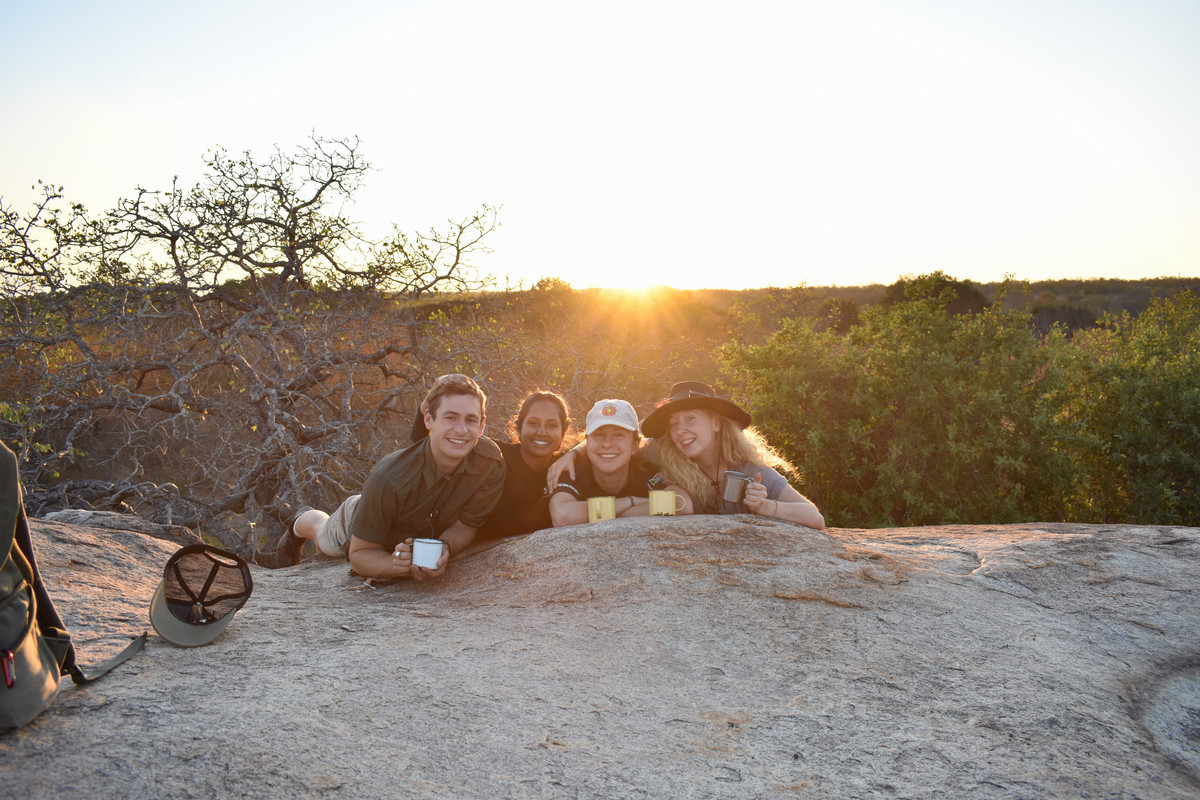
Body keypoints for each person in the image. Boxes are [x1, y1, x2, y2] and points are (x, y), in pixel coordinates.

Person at [276, 374, 506, 579]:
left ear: (482, 426)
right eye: (450, 418)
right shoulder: (388, 478)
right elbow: (360, 553)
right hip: (359, 517)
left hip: (407, 515)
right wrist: (394, 565)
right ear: (429, 420)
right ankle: (302, 520)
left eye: (471, 420)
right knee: (325, 537)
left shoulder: (490, 463)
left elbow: (465, 525)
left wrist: (445, 547)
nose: (461, 429)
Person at [550, 381, 825, 529]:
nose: (681, 431)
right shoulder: (665, 454)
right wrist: (574, 452)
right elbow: (615, 446)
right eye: (674, 423)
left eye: (690, 419)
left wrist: (767, 507)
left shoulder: (750, 470)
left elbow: (814, 517)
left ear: (716, 423)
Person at [549, 399, 693, 526]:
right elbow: (563, 516)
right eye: (598, 435)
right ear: (587, 443)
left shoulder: (644, 469)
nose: (607, 444)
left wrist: (604, 515)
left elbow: (681, 503)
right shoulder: (573, 469)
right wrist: (630, 501)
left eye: (618, 435)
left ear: (634, 445)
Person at [473, 390, 574, 544]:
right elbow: (449, 441)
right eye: (533, 423)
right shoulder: (496, 455)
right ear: (519, 428)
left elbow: (597, 444)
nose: (542, 432)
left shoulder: (565, 466)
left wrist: (575, 453)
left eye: (551, 425)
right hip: (482, 558)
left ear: (563, 433)